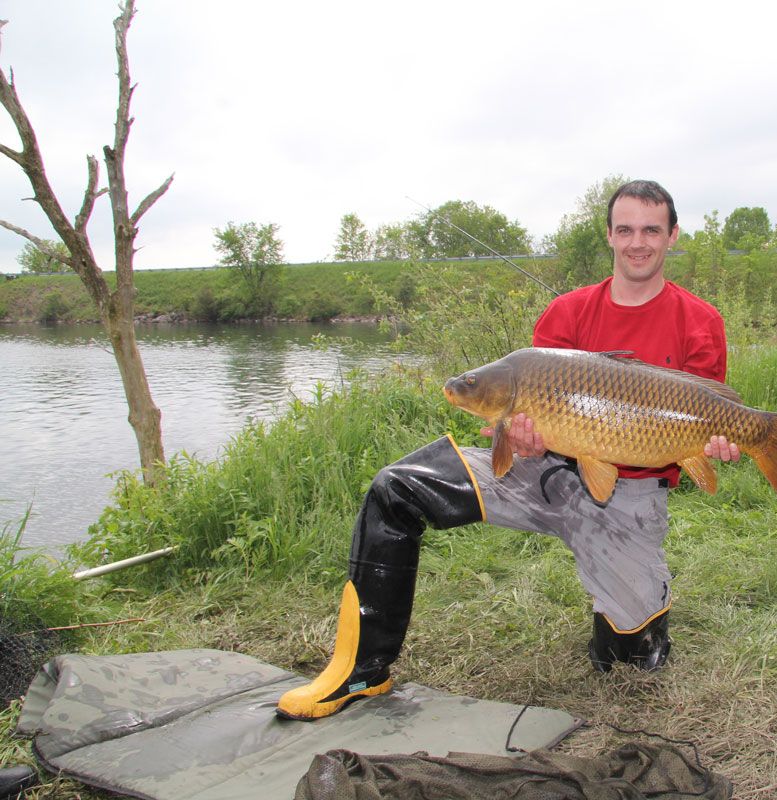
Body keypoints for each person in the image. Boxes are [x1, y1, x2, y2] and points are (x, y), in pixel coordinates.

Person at [277, 179, 739, 721]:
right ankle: (359, 672)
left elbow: (705, 412)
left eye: (651, 231)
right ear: (609, 235)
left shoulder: (700, 320)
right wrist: (519, 437)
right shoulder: (566, 313)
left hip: (629, 496)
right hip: (538, 473)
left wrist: (717, 443)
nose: (638, 242)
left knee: (628, 660)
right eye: (625, 229)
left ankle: (625, 614)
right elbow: (524, 436)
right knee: (396, 489)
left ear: (672, 235)